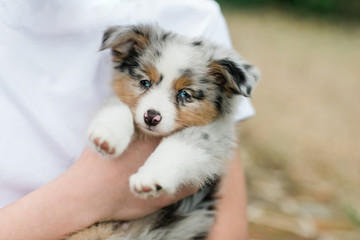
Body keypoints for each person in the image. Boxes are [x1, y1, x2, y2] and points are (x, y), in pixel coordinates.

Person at [0, 0, 253, 239]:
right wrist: (84, 198)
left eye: (184, 95)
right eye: (144, 83)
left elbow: (224, 215)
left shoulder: (188, 13)